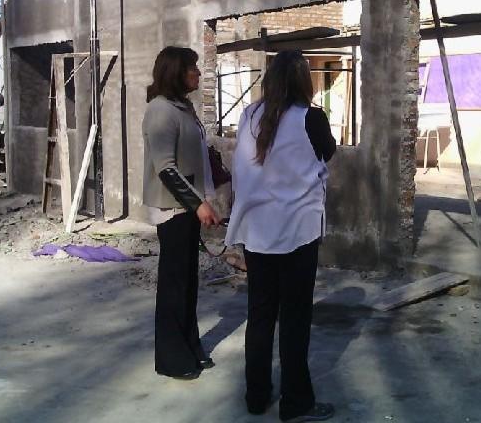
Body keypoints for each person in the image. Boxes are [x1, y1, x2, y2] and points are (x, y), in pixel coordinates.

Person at [225, 50, 337, 422]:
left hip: (256, 230)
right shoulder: (310, 117)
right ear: (304, 80)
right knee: (294, 318)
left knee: (260, 314)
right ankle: (296, 401)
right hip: (297, 231)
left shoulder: (249, 115)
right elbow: (328, 152)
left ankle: (256, 395)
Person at [142, 46, 220, 380]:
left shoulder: (183, 107)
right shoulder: (160, 110)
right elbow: (166, 169)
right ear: (176, 72)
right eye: (192, 68)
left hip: (187, 207)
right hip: (172, 209)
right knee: (174, 286)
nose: (198, 74)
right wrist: (198, 204)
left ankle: (190, 346)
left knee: (188, 282)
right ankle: (172, 359)